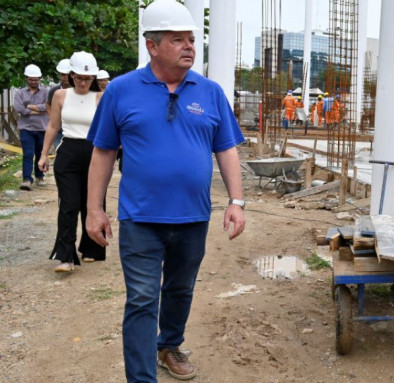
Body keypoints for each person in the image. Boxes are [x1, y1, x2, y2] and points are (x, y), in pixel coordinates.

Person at [85, 0, 246, 381]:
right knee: (142, 299)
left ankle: (169, 345)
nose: (189, 47)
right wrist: (94, 208)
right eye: (178, 40)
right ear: (152, 45)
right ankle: (141, 378)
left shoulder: (210, 92)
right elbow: (104, 151)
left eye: (192, 39)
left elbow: (226, 148)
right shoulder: (121, 90)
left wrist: (237, 202)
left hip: (193, 217)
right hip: (140, 218)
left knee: (180, 290)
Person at [38, 52, 104, 272]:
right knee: (68, 205)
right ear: (71, 76)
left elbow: (108, 129)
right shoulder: (60, 95)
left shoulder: (101, 97)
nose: (83, 82)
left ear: (93, 78)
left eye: (88, 78)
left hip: (94, 152)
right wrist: (44, 154)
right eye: (79, 78)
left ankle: (91, 247)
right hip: (68, 151)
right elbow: (53, 126)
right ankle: (66, 255)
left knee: (92, 202)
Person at [14, 64, 49, 190]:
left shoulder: (46, 91)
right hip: (26, 129)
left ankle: (40, 177)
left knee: (40, 154)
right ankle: (27, 179)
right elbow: (19, 109)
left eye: (36, 79)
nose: (34, 82)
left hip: (42, 128)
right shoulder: (20, 93)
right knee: (28, 154)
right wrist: (39, 110)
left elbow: (47, 107)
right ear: (26, 79)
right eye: (31, 79)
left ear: (39, 79)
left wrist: (29, 106)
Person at [47, 58, 71, 150]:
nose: (66, 77)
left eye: (68, 75)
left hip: (73, 130)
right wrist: (52, 116)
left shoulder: (80, 91)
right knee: (60, 151)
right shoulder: (54, 90)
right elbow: (48, 104)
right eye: (64, 75)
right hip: (59, 130)